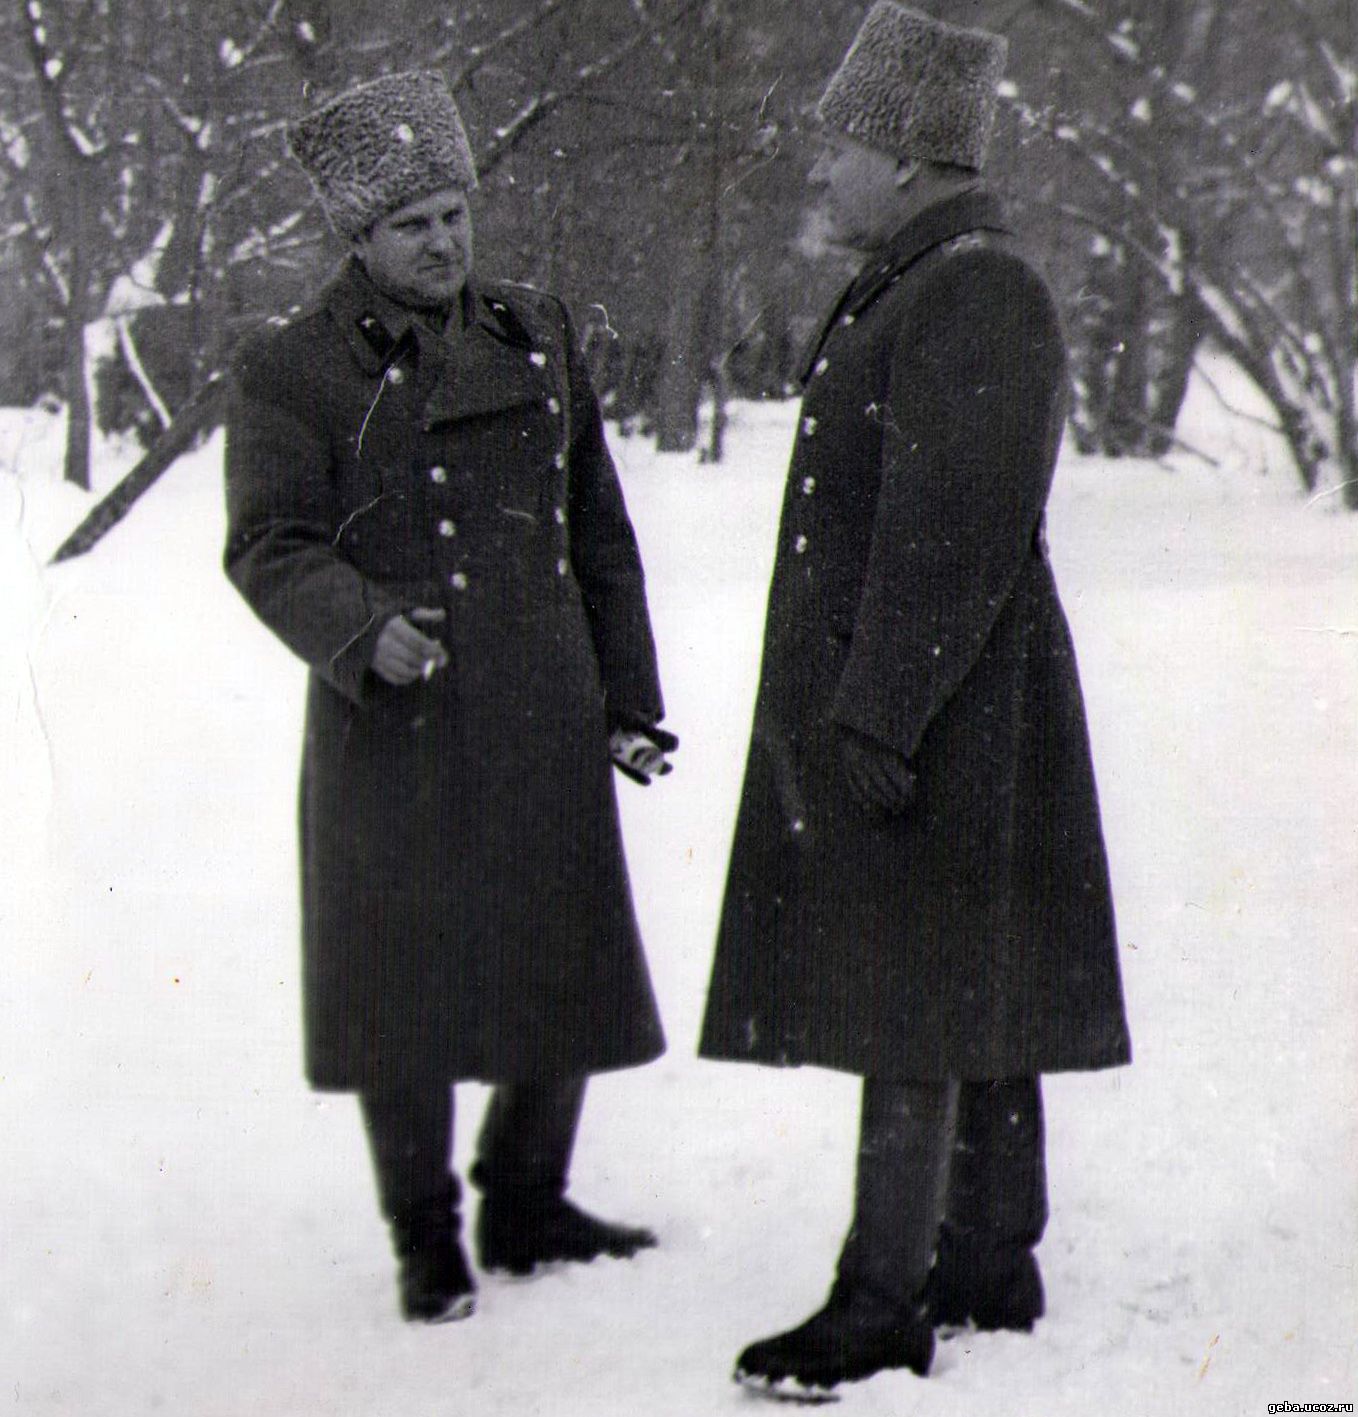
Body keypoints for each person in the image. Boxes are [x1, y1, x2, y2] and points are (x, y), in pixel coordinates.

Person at [698, 3, 1132, 1397]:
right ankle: (989, 1259)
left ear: (902, 155)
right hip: (945, 691)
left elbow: (953, 526)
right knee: (963, 968)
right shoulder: (924, 278)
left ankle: (882, 1298)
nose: (819, 168)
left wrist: (878, 708)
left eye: (838, 145)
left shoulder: (971, 287)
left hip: (939, 701)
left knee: (911, 992)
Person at [223, 71, 676, 1325]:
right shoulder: (292, 368)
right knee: (399, 980)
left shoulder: (537, 331)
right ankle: (424, 1231)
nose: (443, 241)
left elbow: (596, 529)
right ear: (356, 236)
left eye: (454, 213)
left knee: (559, 948)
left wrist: (627, 697)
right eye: (411, 223)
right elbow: (267, 542)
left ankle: (527, 1196)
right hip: (394, 709)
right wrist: (360, 628)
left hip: (540, 694)